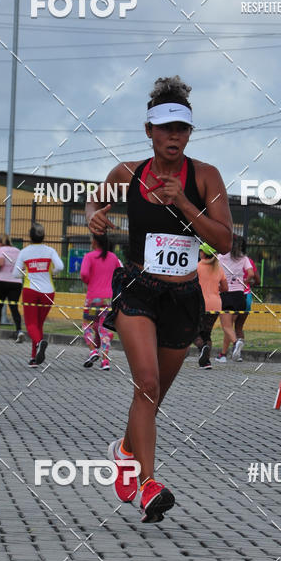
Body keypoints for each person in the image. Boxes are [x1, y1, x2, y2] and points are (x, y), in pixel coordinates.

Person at [86, 75, 232, 523]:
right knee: (145, 385)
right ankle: (149, 484)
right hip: (138, 289)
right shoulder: (126, 174)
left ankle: (125, 450)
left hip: (184, 296)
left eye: (182, 129)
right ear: (149, 130)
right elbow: (94, 203)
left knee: (153, 397)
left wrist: (186, 205)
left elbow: (224, 241)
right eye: (166, 128)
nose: (174, 136)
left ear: (190, 133)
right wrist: (95, 218)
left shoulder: (206, 177)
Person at [14, 224, 63, 367]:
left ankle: (40, 344)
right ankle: (34, 358)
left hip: (30, 290)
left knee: (30, 324)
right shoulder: (50, 250)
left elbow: (16, 273)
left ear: (30, 236)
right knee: (39, 324)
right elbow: (60, 266)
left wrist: (26, 269)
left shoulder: (24, 252)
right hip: (48, 291)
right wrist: (51, 273)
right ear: (43, 236)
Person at [79, 234, 122, 371]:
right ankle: (105, 362)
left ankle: (93, 351)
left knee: (87, 325)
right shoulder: (113, 257)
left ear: (96, 242)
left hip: (94, 299)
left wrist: (91, 282)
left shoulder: (89, 256)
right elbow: (119, 273)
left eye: (92, 239)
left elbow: (84, 274)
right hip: (109, 299)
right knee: (104, 329)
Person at [215, 234, 254, 363]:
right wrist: (244, 283)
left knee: (226, 326)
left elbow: (216, 274)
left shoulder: (221, 257)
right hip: (239, 295)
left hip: (226, 294)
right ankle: (223, 355)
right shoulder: (244, 258)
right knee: (230, 326)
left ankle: (236, 342)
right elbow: (251, 273)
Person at [195, 244, 227, 369]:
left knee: (192, 331)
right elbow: (225, 288)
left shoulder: (196, 267)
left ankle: (202, 347)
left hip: (200, 304)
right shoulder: (218, 268)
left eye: (200, 250)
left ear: (203, 253)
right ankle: (206, 362)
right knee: (207, 333)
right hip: (216, 304)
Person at [233, 238, 261, 350]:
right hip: (247, 296)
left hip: (234, 296)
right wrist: (246, 282)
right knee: (239, 327)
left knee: (228, 326)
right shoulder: (248, 261)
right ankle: (238, 353)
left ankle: (224, 354)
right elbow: (258, 281)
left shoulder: (227, 260)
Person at [0, 235, 23, 341]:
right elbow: (23, 267)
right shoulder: (18, 250)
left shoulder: (0, 249)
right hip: (16, 282)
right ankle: (19, 330)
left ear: (1, 243)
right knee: (14, 307)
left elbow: (0, 263)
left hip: (1, 281)